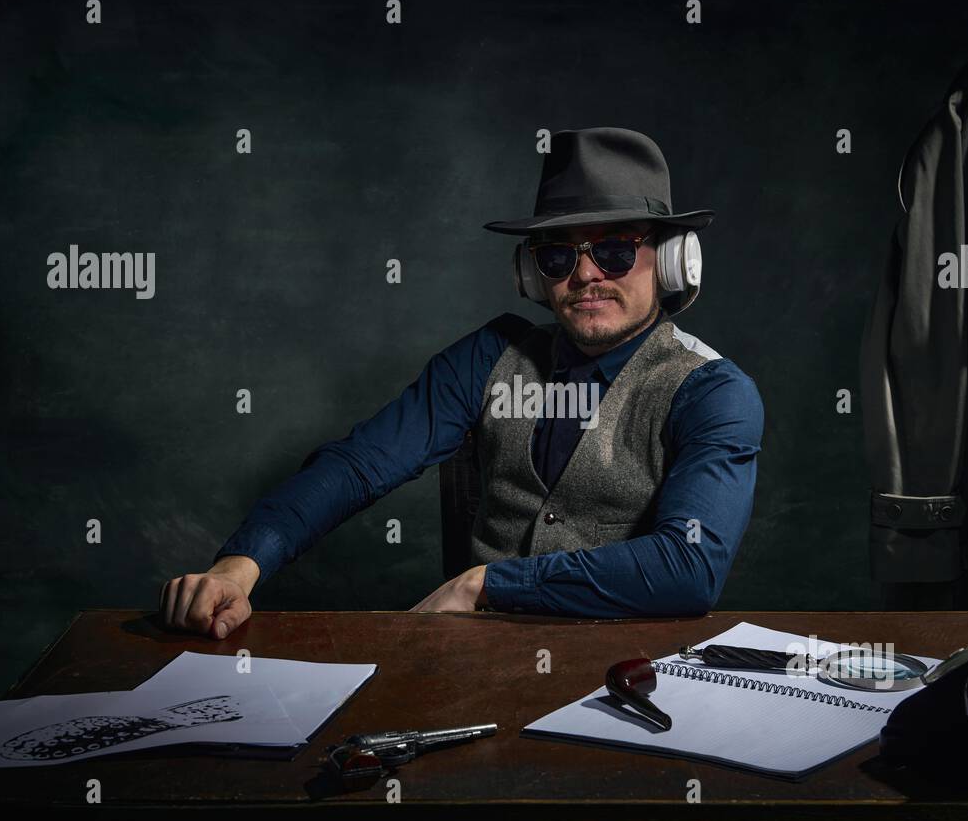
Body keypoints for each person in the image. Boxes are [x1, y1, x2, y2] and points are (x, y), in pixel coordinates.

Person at [160, 127, 764, 638]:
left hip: (630, 675)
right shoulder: (486, 358)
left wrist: (486, 585)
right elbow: (359, 465)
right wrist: (240, 565)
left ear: (670, 259)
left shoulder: (712, 392)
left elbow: (689, 565)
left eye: (612, 250)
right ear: (532, 273)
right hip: (473, 666)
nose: (584, 275)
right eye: (557, 255)